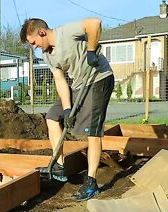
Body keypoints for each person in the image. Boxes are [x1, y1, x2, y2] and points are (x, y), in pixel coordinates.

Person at [20, 18, 114, 201]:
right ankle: (60, 166)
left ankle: (92, 182)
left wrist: (91, 51)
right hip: (79, 85)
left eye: (34, 43)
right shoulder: (48, 55)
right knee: (52, 117)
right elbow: (60, 80)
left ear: (42, 33)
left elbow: (94, 23)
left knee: (91, 131)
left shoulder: (66, 32)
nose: (35, 47)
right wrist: (67, 109)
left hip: (98, 79)